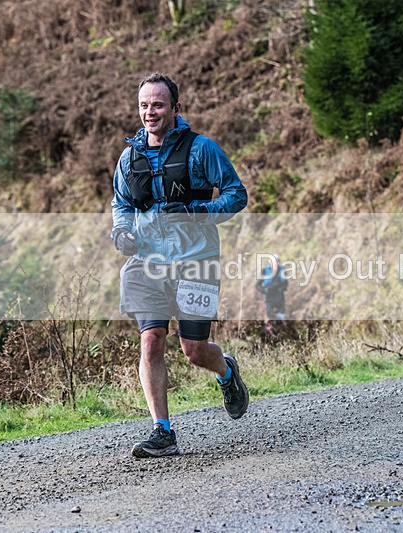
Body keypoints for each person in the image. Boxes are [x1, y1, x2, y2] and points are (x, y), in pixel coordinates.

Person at [111, 72, 249, 458]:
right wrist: (121, 233)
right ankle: (162, 431)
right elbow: (120, 205)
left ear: (175, 107)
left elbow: (237, 195)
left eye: (157, 104)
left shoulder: (202, 149)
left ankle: (225, 370)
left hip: (196, 261)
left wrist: (197, 210)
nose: (149, 112)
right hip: (146, 263)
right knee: (151, 340)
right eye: (143, 105)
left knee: (193, 349)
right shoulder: (129, 157)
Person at [256, 254, 288, 332]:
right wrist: (264, 290)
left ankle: (281, 332)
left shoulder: (282, 271)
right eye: (275, 261)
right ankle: (269, 332)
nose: (277, 263)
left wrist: (281, 289)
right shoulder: (264, 271)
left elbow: (286, 284)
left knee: (280, 316)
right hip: (269, 297)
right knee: (270, 315)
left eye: (278, 261)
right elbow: (258, 285)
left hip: (279, 296)